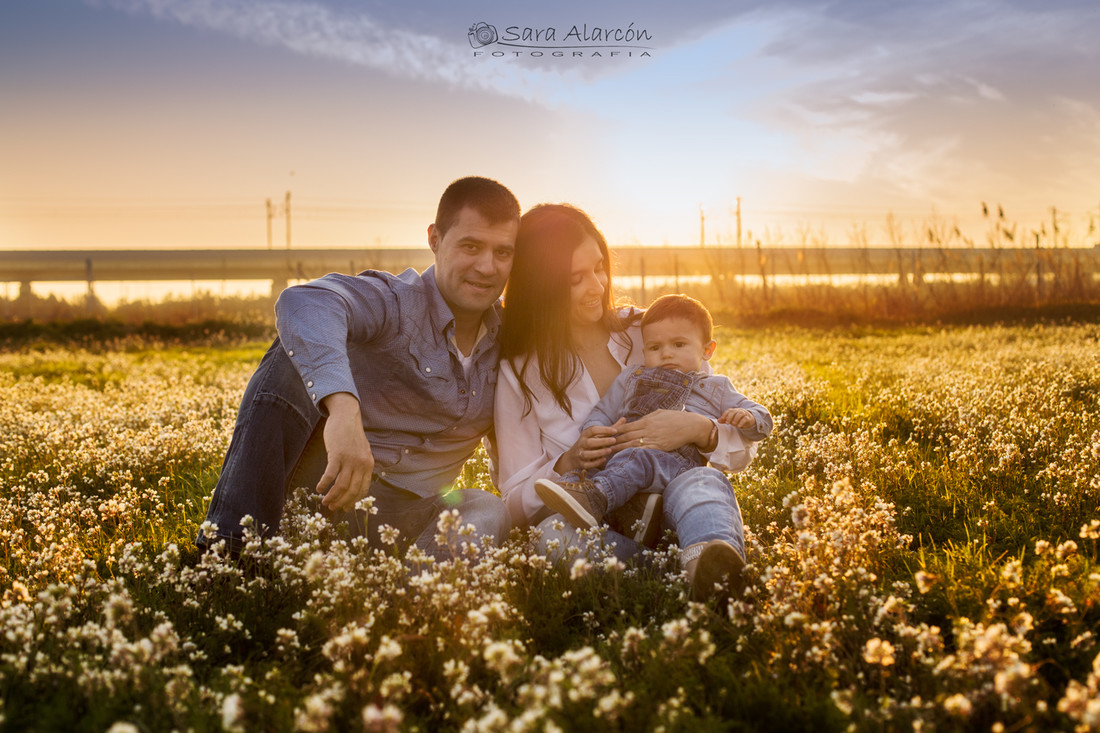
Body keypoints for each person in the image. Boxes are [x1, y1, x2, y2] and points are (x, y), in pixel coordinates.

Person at [197, 176, 520, 560]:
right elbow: (304, 302)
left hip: (417, 517)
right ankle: (230, 557)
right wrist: (344, 410)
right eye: (471, 246)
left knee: (488, 508)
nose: (487, 267)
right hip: (328, 491)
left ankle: (414, 600)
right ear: (434, 239)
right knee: (293, 355)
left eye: (503, 252)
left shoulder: (514, 342)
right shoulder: (395, 302)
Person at [493, 204, 762, 601]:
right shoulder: (519, 372)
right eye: (576, 279)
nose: (597, 286)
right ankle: (690, 576)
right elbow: (513, 504)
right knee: (551, 540)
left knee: (703, 482)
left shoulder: (649, 330)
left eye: (599, 267)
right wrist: (567, 462)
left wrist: (700, 431)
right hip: (596, 520)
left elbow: (740, 452)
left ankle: (708, 562)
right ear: (540, 286)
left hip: (676, 499)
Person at [534, 294, 772, 541]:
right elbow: (604, 410)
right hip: (623, 459)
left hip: (677, 466)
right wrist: (595, 431)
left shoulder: (716, 387)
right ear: (644, 349)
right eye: (655, 348)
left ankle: (596, 498)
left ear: (707, 350)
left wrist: (749, 417)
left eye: (679, 345)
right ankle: (606, 507)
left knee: (639, 457)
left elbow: (763, 419)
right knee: (597, 466)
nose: (666, 354)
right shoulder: (632, 377)